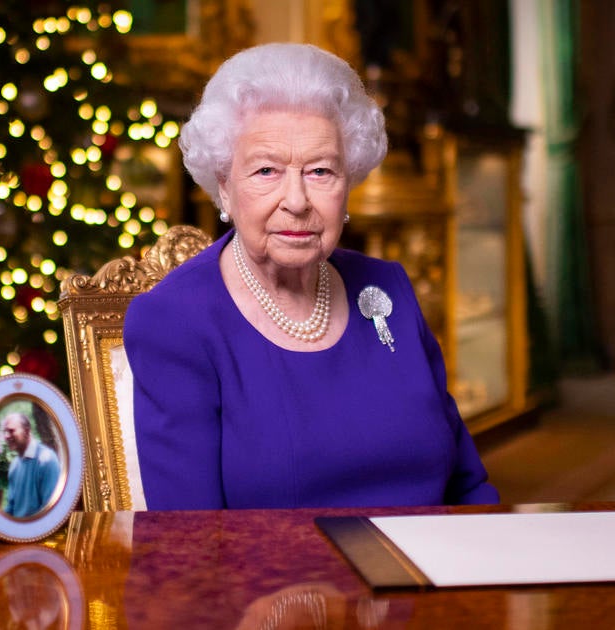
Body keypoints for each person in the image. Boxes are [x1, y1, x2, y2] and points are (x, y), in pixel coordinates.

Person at [123, 42, 499, 510]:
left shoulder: (388, 289)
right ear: (224, 185)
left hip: (429, 573)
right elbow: (192, 545)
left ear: (348, 184)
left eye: (321, 171)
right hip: (277, 584)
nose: (297, 200)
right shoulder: (174, 322)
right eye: (266, 170)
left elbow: (468, 486)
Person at [1, 411, 61, 517]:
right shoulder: (15, 465)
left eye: (11, 431)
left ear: (27, 431)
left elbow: (51, 511)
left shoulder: (46, 460)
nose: (6, 436)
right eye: (5, 431)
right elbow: (11, 507)